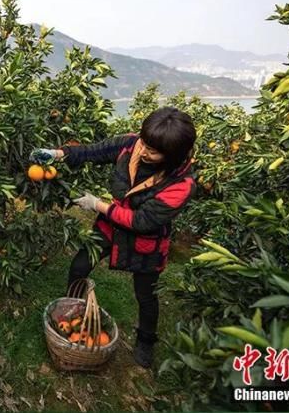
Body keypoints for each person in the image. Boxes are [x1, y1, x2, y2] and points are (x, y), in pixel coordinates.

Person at [29, 107, 197, 368]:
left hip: (146, 242)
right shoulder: (133, 145)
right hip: (110, 225)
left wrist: (97, 205)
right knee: (80, 266)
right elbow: (95, 151)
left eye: (153, 151)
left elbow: (142, 222)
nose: (144, 151)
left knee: (146, 294)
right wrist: (58, 154)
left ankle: (146, 340)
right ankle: (75, 314)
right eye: (145, 143)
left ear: (172, 157)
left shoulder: (180, 184)